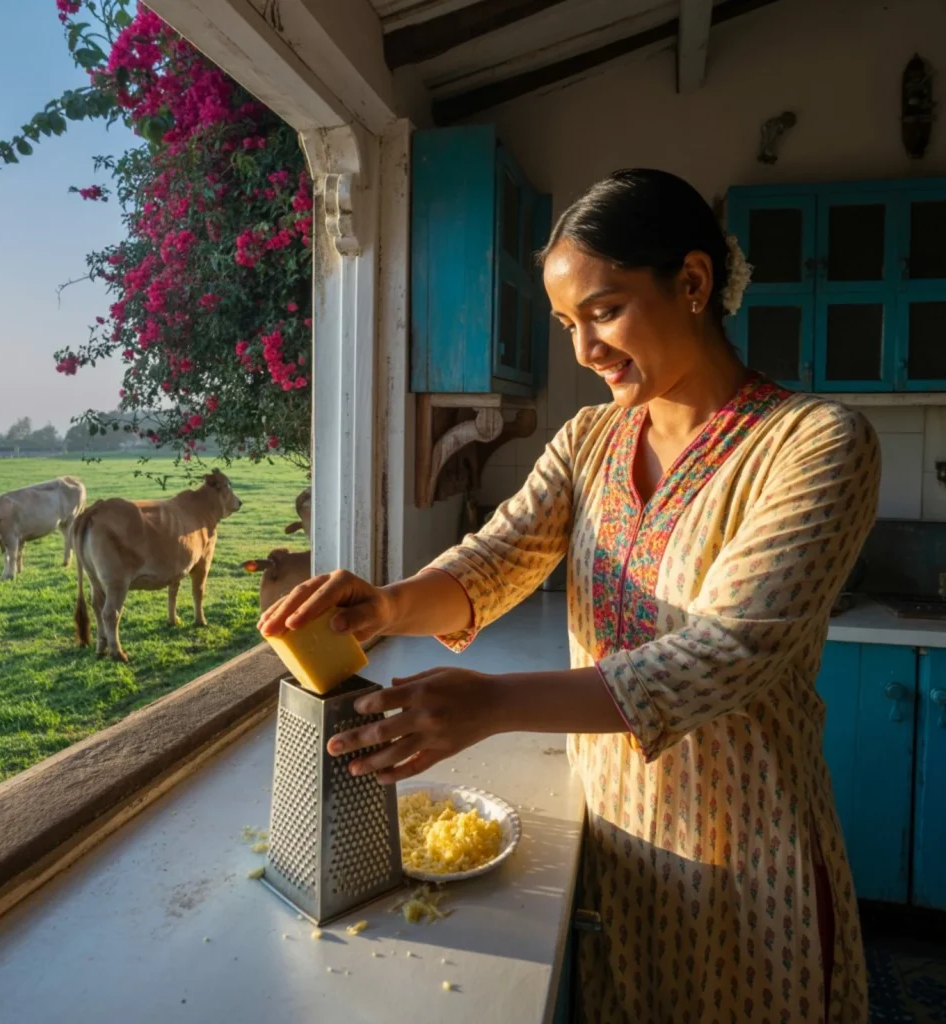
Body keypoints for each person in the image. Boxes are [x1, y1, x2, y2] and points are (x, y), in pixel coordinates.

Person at [260, 169, 879, 1024]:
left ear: (693, 284)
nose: (584, 350)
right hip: (615, 837)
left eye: (605, 309)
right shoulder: (591, 438)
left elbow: (727, 652)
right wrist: (388, 605)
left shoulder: (814, 444)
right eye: (566, 324)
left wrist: (492, 705)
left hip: (747, 845)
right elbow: (500, 555)